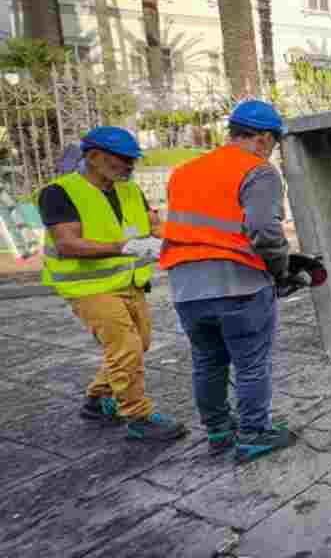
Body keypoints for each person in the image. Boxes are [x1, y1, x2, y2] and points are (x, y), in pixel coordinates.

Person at [161, 100, 296, 463]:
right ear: (265, 138)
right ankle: (253, 434)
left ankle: (219, 430)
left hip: (185, 287)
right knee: (251, 364)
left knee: (207, 361)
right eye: (274, 143)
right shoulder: (258, 170)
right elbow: (265, 231)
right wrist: (281, 271)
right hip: (238, 283)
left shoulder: (183, 172)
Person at [39, 126, 187, 442]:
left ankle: (96, 399)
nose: (130, 166)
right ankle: (137, 416)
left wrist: (176, 240)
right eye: (122, 159)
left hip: (129, 281)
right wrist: (125, 247)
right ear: (93, 157)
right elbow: (68, 244)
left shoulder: (130, 190)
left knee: (140, 343)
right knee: (126, 347)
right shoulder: (59, 192)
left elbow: (154, 225)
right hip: (88, 287)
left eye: (132, 160)